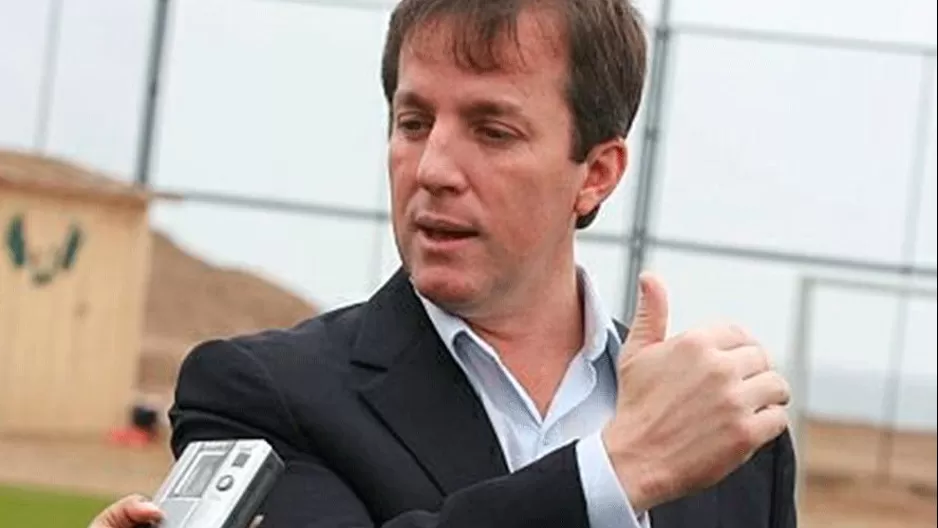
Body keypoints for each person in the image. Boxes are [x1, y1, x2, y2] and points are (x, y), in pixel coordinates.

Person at [92, 0, 797, 526]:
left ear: (597, 173)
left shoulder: (737, 450)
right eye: (414, 122)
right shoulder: (260, 398)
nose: (432, 168)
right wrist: (617, 471)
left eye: (492, 131)